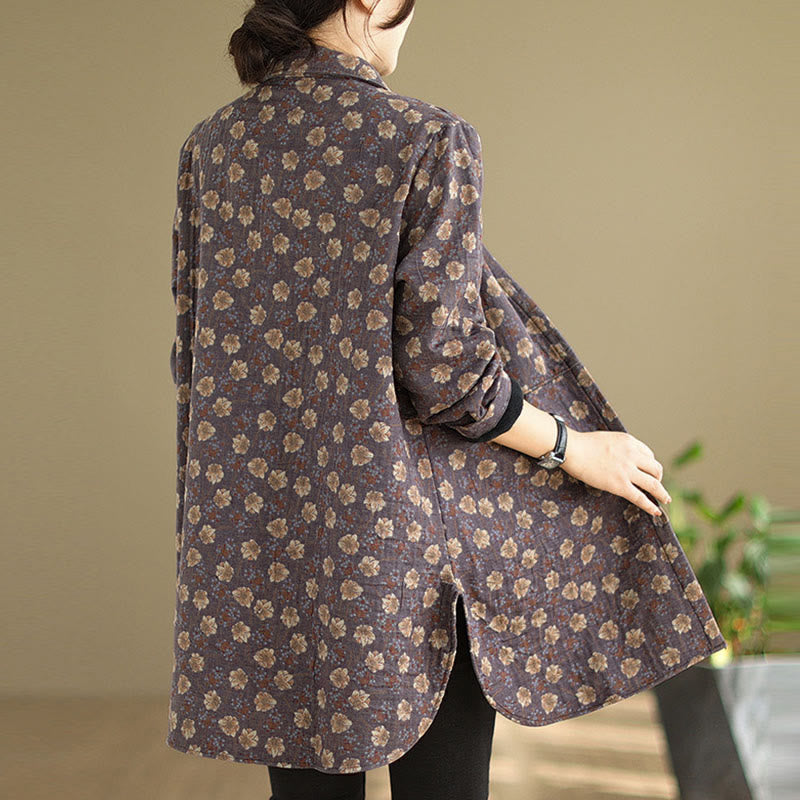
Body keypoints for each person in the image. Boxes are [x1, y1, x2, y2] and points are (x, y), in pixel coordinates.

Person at [167, 1, 726, 798]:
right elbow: (446, 368)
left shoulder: (213, 146)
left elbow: (196, 353)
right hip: (404, 545)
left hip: (268, 540)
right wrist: (575, 447)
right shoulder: (426, 138)